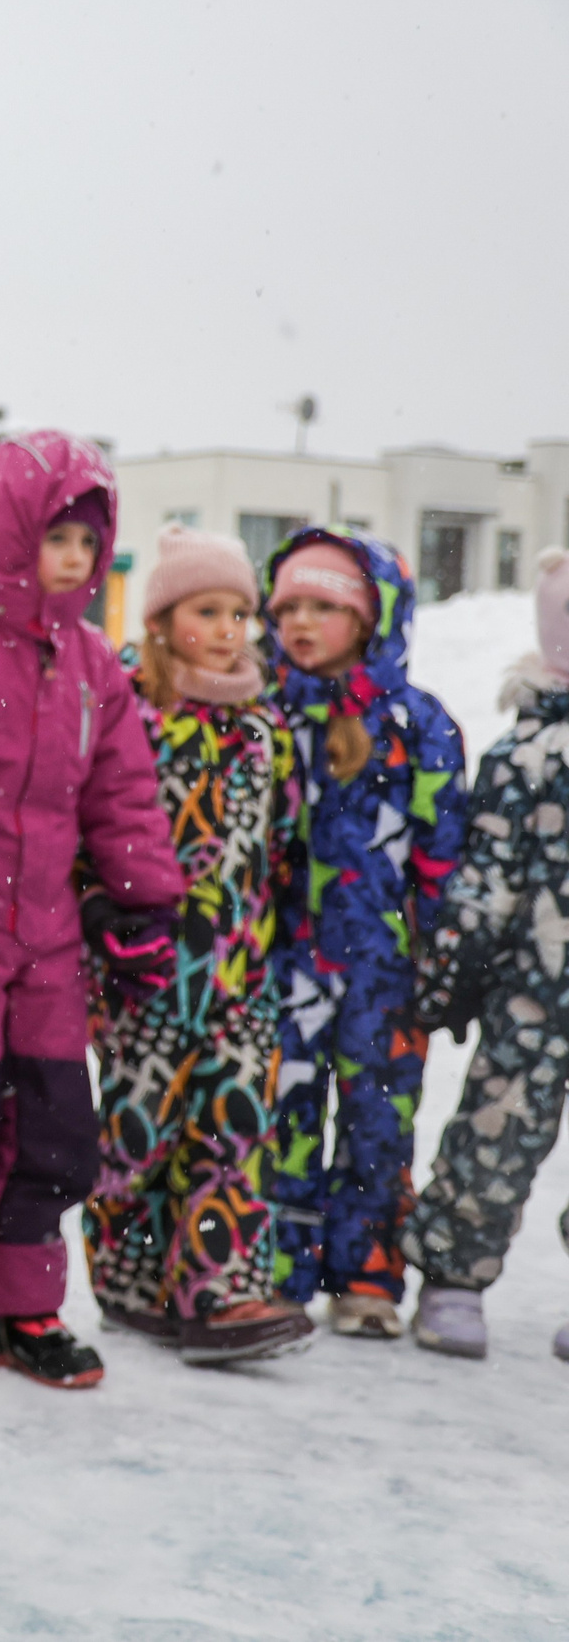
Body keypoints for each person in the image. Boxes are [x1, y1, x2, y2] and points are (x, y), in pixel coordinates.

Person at [0, 431, 182, 1389]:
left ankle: (26, 1303)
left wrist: (142, 902)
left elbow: (123, 794)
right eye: (58, 536)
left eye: (90, 543)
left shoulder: (98, 668)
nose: (76, 559)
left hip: (49, 942)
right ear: (8, 534)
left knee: (54, 1131)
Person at [83, 525, 315, 1364]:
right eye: (206, 610)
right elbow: (97, 826)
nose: (227, 629)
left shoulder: (263, 726)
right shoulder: (133, 712)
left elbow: (282, 841)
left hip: (238, 975)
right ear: (162, 617)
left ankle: (219, 1290)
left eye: (239, 612)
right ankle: (129, 1278)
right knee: (139, 1132)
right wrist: (96, 925)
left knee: (232, 1130)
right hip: (148, 976)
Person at [263, 528, 465, 1337]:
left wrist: (443, 952)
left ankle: (367, 1274)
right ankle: (279, 1269)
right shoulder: (269, 717)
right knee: (285, 1109)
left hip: (386, 967)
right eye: (288, 607)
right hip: (287, 961)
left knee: (378, 1119)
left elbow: (444, 854)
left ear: (373, 615)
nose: (302, 623)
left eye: (325, 606)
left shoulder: (420, 725)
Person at [402, 547, 569, 1359]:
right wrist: (454, 972)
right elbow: (486, 875)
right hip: (531, 994)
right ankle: (453, 1276)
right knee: (496, 1132)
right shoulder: (526, 756)